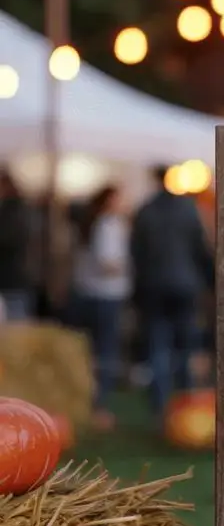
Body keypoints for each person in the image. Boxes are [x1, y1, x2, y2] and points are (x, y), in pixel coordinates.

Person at [130, 166, 214, 424]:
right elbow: (200, 248)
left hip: (153, 287)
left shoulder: (144, 211)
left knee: (157, 346)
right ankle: (187, 406)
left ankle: (160, 408)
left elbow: (136, 252)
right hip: (185, 286)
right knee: (185, 347)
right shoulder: (188, 210)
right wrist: (210, 280)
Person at [72, 185, 132, 431]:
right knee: (105, 352)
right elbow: (107, 263)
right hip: (106, 295)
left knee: (97, 350)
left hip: (93, 293)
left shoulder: (97, 224)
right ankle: (99, 407)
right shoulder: (109, 226)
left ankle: (94, 404)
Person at [0, 168, 32, 320]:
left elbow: (8, 240)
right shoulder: (16, 210)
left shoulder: (12, 212)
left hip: (12, 280)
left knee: (15, 328)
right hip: (14, 280)